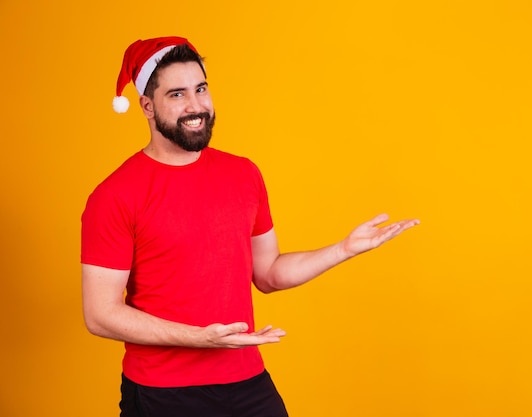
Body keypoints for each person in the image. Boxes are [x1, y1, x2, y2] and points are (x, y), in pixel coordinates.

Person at [81, 36, 419, 417]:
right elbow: (100, 313)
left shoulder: (243, 174)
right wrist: (199, 338)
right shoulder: (115, 195)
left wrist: (342, 249)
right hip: (163, 392)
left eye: (201, 89)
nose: (196, 106)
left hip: (246, 380)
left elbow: (269, 273)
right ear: (146, 105)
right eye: (177, 95)